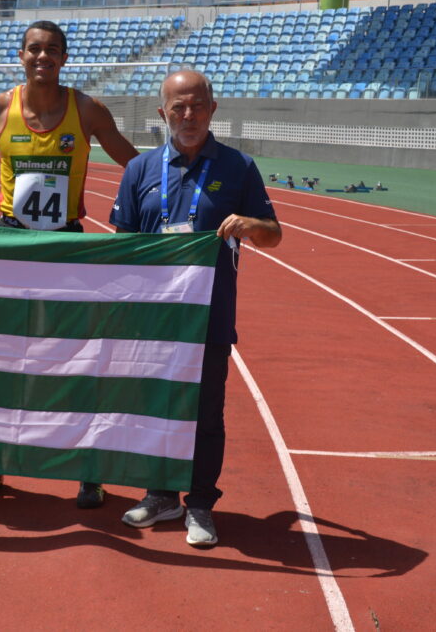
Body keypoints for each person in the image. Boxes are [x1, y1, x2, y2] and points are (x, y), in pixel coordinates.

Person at [0, 20, 139, 509]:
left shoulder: (86, 109)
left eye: (52, 50)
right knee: (3, 360)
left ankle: (89, 471)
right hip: (12, 247)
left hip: (65, 247)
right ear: (21, 56)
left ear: (64, 58)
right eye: (34, 50)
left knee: (77, 362)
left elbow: (133, 162)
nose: (43, 57)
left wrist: (169, 193)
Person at [109, 69, 282, 547]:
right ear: (162, 113)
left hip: (208, 320)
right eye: (178, 107)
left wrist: (251, 225)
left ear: (213, 109)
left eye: (197, 105)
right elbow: (121, 246)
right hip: (153, 323)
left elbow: (274, 235)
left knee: (206, 415)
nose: (188, 115)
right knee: (155, 411)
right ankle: (160, 494)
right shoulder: (139, 171)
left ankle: (201, 503)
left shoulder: (239, 167)